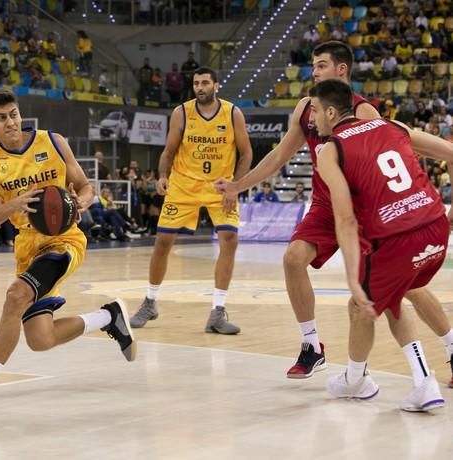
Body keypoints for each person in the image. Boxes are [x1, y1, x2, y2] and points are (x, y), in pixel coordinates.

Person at [215, 41, 453, 382]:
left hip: (368, 209)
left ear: (341, 70)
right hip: (328, 205)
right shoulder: (306, 109)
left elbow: (410, 151)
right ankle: (313, 347)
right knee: (293, 258)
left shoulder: (366, 113)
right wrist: (239, 185)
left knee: (408, 287)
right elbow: (279, 156)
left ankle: (447, 350)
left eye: (321, 65)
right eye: (313, 65)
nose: (314, 71)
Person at [0, 89, 137, 416]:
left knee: (16, 296)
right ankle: (108, 317)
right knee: (40, 338)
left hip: (64, 241)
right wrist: (16, 203)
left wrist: (78, 204)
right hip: (28, 247)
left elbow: (85, 187)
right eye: (1, 118)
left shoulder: (53, 142)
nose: (11, 122)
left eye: (13, 114)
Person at [312, 79, 447, 411]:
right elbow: (449, 151)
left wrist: (351, 278)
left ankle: (414, 381)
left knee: (362, 305)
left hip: (399, 236)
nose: (311, 119)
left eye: (314, 111)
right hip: (437, 229)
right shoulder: (390, 124)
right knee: (391, 297)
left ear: (331, 112)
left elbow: (344, 220)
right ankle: (358, 377)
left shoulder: (331, 150)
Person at [129, 66, 253, 334]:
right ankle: (150, 302)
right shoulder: (181, 113)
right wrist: (162, 175)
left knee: (230, 240)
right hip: (183, 185)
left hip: (220, 187)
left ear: (216, 85)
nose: (200, 87)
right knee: (163, 242)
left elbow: (246, 154)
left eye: (205, 82)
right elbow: (169, 151)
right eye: (196, 83)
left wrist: (235, 187)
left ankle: (217, 312)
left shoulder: (232, 113)